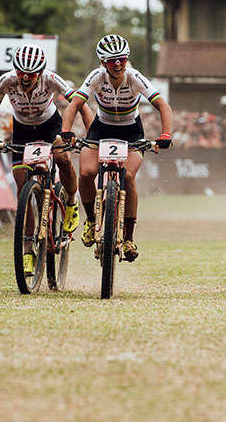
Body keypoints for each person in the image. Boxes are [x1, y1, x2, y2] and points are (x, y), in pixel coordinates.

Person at [60, 34, 173, 263]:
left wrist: (166, 134)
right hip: (101, 128)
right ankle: (91, 220)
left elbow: (163, 105)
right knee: (86, 172)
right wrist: (66, 132)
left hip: (131, 130)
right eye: (112, 61)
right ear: (103, 63)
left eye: (121, 59)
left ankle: (129, 238)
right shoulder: (96, 77)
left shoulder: (134, 77)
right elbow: (75, 105)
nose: (118, 64)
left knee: (129, 177)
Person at [0, 44, 92, 277]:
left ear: (41, 73)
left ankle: (71, 203)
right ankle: (28, 251)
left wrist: (91, 134)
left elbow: (79, 103)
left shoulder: (52, 79)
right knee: (23, 187)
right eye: (21, 73)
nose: (25, 78)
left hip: (49, 125)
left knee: (63, 158)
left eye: (31, 74)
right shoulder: (6, 81)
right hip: (22, 130)